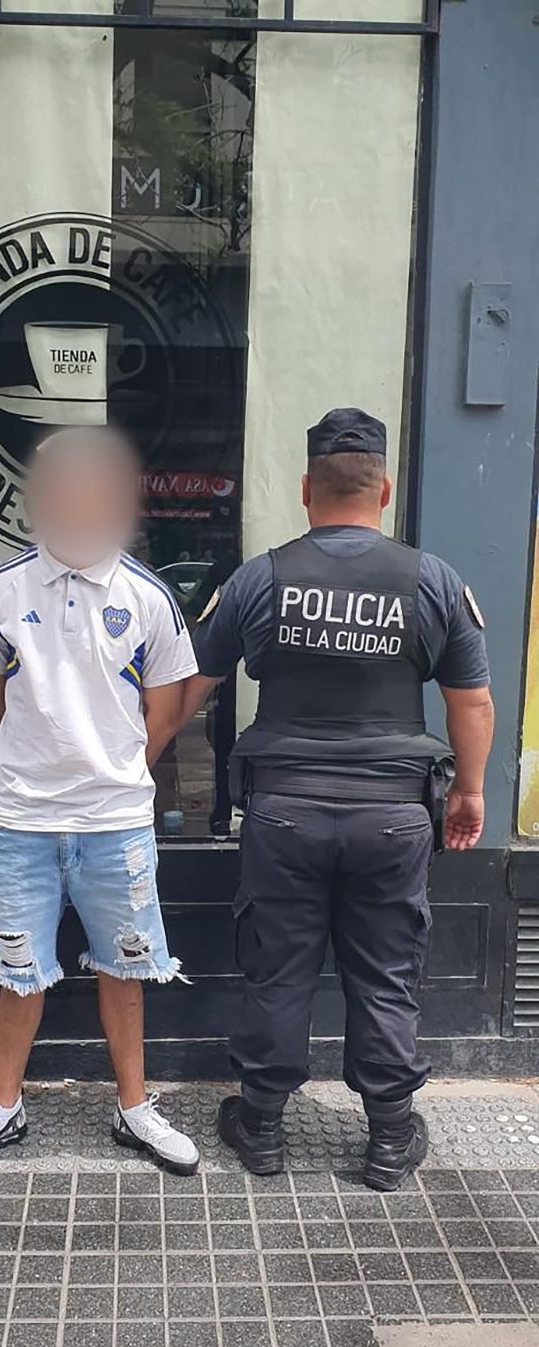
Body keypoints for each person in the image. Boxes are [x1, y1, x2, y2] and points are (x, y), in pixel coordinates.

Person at [181, 408, 494, 1191]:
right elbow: (473, 705)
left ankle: (261, 1130)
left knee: (277, 968)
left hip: (284, 812)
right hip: (393, 815)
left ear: (304, 490)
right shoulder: (434, 581)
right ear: (383, 491)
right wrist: (471, 792)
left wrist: (126, 765)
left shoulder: (259, 578)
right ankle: (388, 1139)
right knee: (386, 973)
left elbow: (191, 687)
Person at [0, 427, 200, 1177]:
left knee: (126, 969)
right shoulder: (4, 591)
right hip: (24, 823)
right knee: (16, 974)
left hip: (116, 825)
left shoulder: (147, 596)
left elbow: (168, 709)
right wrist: (43, 761)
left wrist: (109, 767)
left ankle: (135, 1108)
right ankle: (4, 1104)